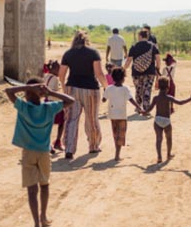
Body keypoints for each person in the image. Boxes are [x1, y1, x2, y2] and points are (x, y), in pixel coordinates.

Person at [5, 79, 75, 227]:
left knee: (31, 189)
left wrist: (29, 87)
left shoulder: (23, 107)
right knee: (45, 185)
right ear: (42, 95)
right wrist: (50, 92)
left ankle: (37, 225)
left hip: (28, 152)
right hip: (44, 152)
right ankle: (44, 216)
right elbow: (71, 101)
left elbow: (8, 92)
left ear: (27, 95)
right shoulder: (49, 108)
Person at [59, 31, 109, 159]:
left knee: (71, 119)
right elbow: (99, 73)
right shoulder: (93, 53)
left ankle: (69, 149)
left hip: (72, 88)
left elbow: (61, 74)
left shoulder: (68, 54)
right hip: (90, 89)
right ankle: (93, 146)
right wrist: (106, 88)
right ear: (86, 40)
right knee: (91, 118)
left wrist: (65, 88)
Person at [143, 77, 191, 163]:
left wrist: (143, 111)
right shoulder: (169, 97)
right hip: (166, 120)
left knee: (159, 139)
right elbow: (180, 102)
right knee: (169, 138)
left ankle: (159, 157)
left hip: (157, 120)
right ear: (168, 87)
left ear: (158, 87)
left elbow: (149, 109)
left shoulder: (156, 98)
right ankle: (168, 154)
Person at [102, 67, 143, 161]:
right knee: (121, 134)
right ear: (123, 78)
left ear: (112, 77)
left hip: (112, 115)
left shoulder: (109, 88)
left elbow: (104, 99)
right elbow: (131, 99)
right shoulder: (126, 89)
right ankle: (117, 154)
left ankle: (116, 153)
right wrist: (139, 107)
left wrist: (105, 93)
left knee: (115, 134)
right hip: (122, 115)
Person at [124, 29, 161, 113]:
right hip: (150, 72)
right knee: (147, 88)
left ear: (140, 36)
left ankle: (138, 106)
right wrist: (158, 69)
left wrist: (123, 69)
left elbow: (129, 61)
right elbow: (158, 59)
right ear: (147, 37)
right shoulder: (153, 46)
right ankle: (146, 107)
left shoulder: (134, 46)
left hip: (136, 72)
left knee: (138, 89)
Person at [43, 60, 65, 152]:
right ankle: (57, 142)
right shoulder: (55, 79)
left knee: (48, 124)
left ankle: (47, 143)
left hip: (46, 101)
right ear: (55, 69)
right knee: (62, 121)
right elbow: (53, 92)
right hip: (54, 103)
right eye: (59, 69)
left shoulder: (46, 76)